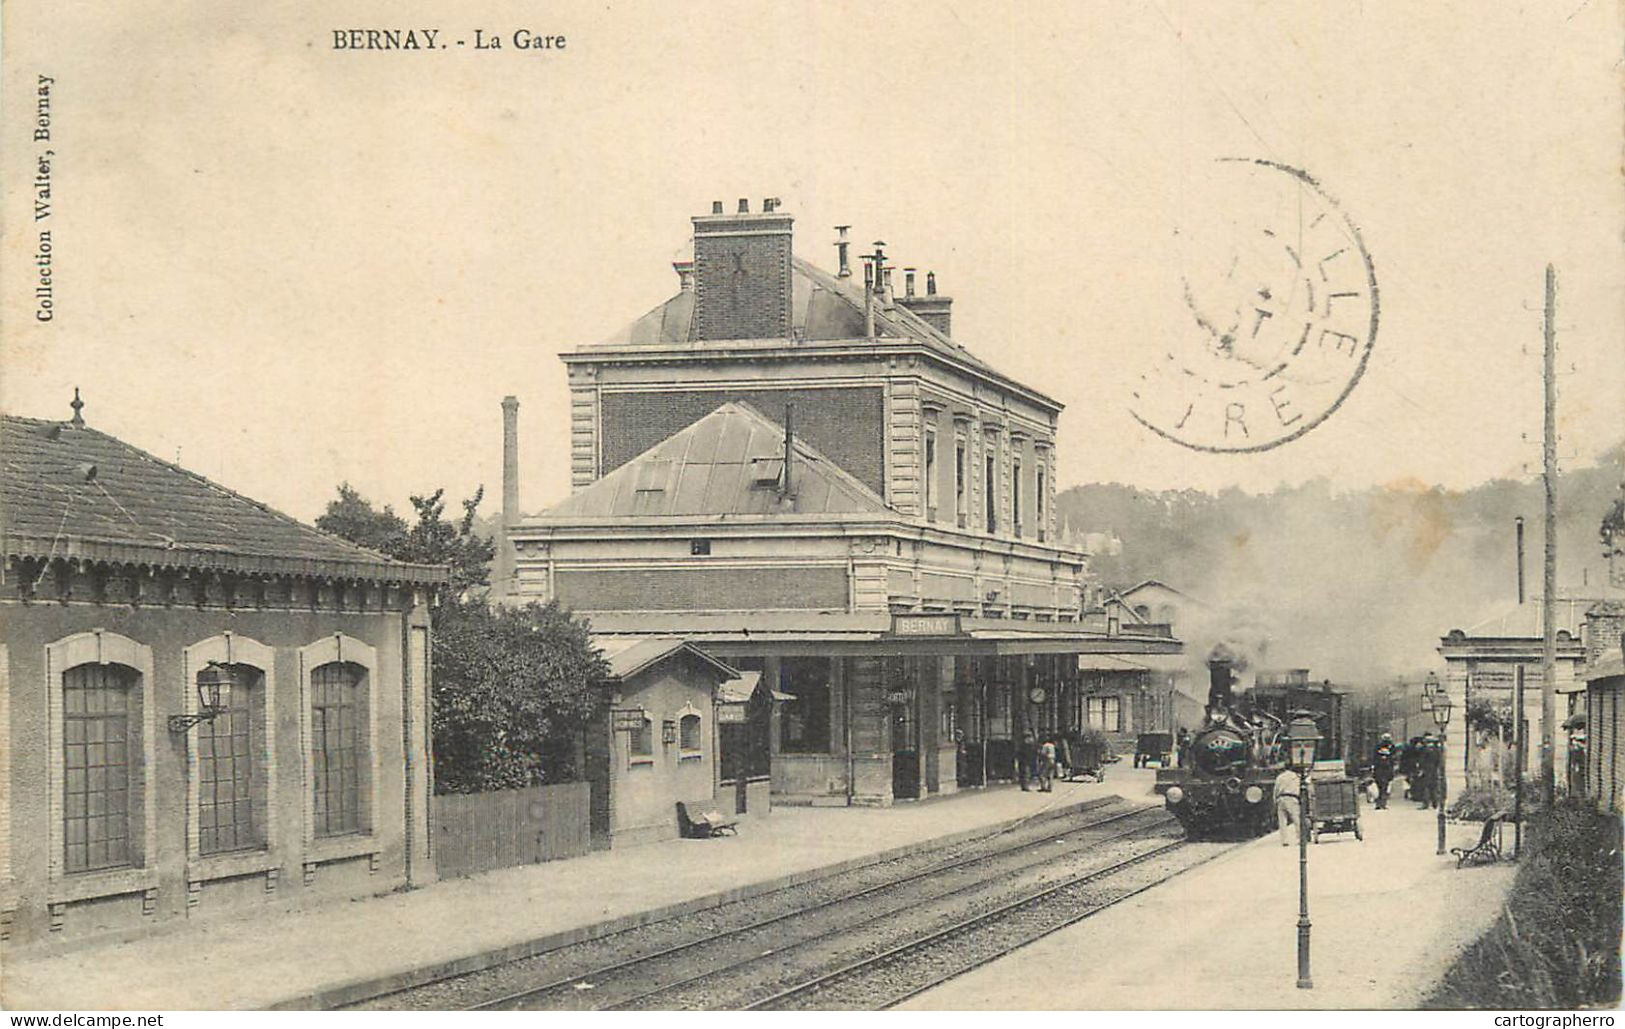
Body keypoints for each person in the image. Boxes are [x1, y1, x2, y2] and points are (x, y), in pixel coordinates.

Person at [1274, 766, 1305, 846]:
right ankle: (1300, 839)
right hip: (1292, 798)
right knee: (1296, 819)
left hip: (1281, 798)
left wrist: (1275, 801)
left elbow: (1276, 790)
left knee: (1282, 821)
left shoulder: (1279, 777)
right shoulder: (1295, 777)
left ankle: (1284, 841)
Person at [1370, 732, 1398, 810]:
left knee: (1381, 787)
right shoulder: (1391, 747)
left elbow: (1374, 758)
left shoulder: (1378, 747)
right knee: (1384, 787)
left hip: (1381, 769)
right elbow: (1394, 758)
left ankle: (1380, 803)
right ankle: (1382, 803)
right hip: (1385, 769)